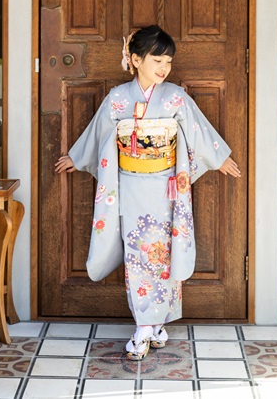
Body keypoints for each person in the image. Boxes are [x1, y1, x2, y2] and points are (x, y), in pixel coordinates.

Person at [55, 25, 241, 360]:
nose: (164, 67)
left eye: (168, 61)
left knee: (166, 254)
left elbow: (197, 131)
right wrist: (77, 156)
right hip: (132, 188)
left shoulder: (175, 97)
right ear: (135, 59)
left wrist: (220, 157)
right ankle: (145, 325)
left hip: (167, 189)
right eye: (157, 60)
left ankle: (156, 323)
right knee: (139, 253)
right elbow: (98, 133)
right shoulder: (117, 99)